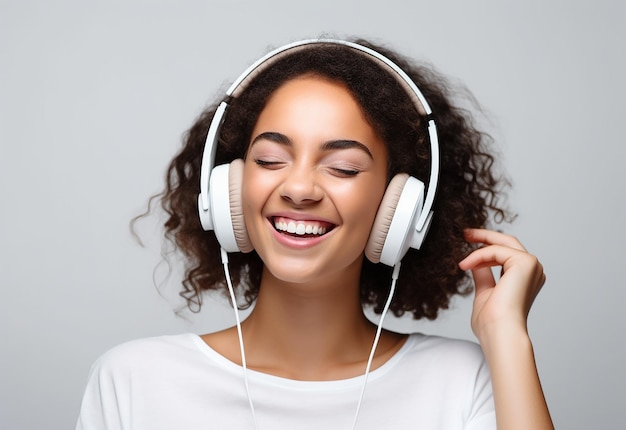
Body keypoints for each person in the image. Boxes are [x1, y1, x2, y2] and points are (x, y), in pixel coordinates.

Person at [76, 38, 553, 430]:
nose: (299, 188)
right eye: (269, 160)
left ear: (402, 208)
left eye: (343, 167)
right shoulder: (135, 379)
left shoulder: (466, 379)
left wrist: (507, 338)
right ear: (228, 190)